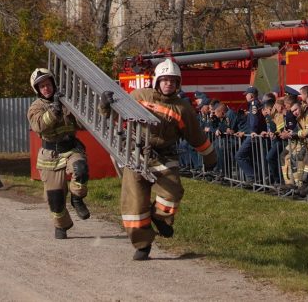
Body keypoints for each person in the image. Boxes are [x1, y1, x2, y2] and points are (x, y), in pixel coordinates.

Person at [103, 59, 216, 261]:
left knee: (172, 193)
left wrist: (209, 156)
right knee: (135, 206)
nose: (169, 84)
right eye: (165, 80)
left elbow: (195, 134)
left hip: (164, 156)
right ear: (157, 81)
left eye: (173, 81)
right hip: (136, 155)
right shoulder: (139, 96)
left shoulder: (182, 108)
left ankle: (159, 217)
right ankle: (143, 244)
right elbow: (116, 114)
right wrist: (105, 106)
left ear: (178, 84)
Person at [27, 69, 91, 239]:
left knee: (81, 169)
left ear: (53, 84)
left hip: (71, 148)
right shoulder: (36, 107)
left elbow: (82, 123)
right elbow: (39, 126)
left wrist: (100, 107)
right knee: (55, 198)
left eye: (48, 84)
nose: (46, 88)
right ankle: (62, 225)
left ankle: (77, 199)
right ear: (37, 89)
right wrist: (54, 111)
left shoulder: (66, 102)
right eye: (42, 86)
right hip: (50, 155)